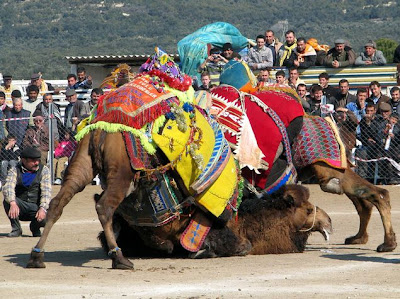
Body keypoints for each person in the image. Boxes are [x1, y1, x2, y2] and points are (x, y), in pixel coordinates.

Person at [2, 146, 51, 237]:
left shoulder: (44, 170)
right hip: (20, 206)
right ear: (24, 160)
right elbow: (8, 187)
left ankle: (35, 227)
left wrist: (42, 208)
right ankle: (16, 229)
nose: (36, 163)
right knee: (7, 201)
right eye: (33, 160)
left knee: (48, 217)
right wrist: (12, 203)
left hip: (36, 207)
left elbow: (46, 192)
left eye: (38, 160)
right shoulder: (14, 170)